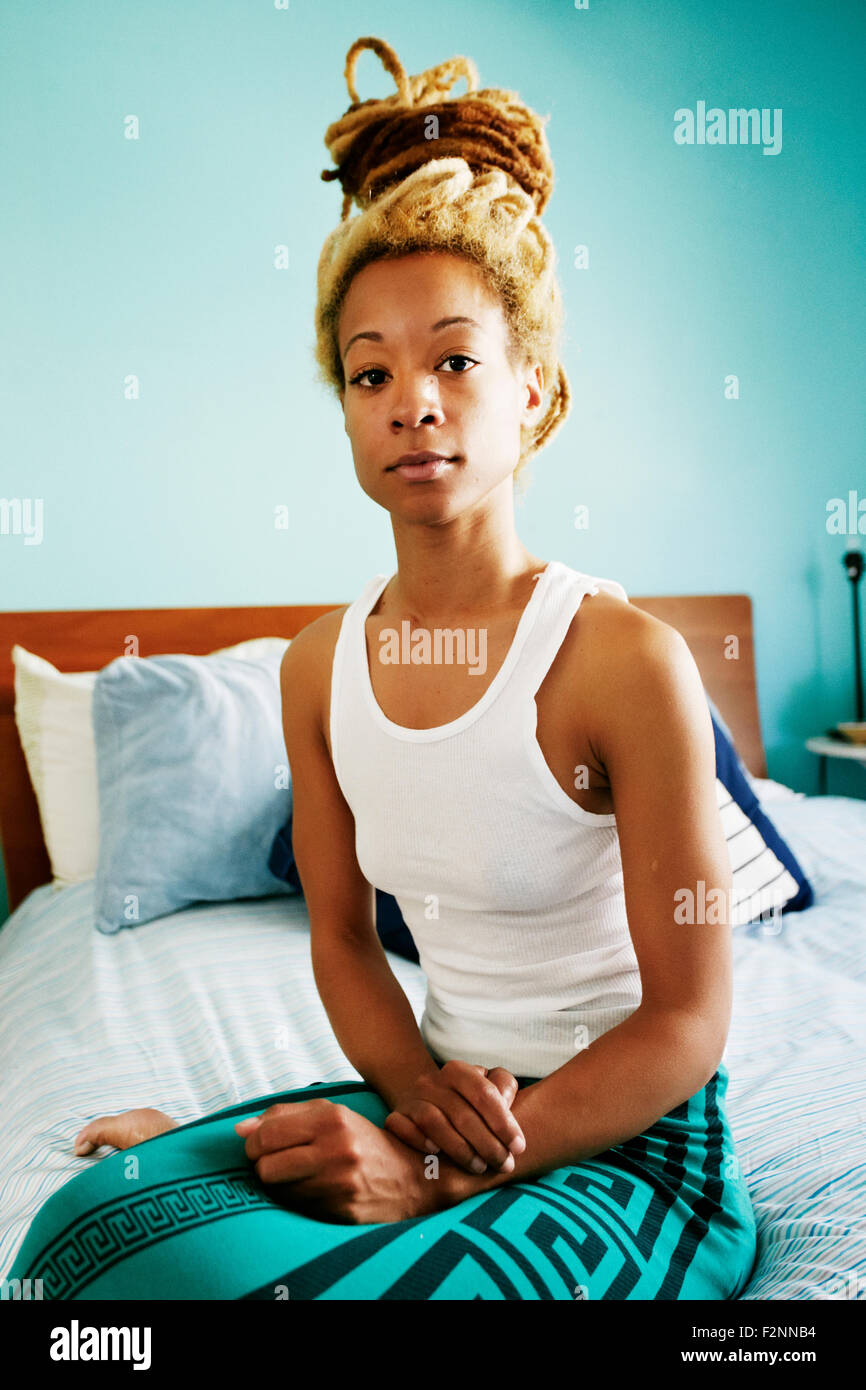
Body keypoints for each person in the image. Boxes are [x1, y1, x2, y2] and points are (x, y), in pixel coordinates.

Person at [8, 35, 757, 1300]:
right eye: (370, 371)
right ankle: (223, 1155)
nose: (411, 399)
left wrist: (447, 1174)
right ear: (346, 407)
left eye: (454, 359)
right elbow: (347, 945)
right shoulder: (316, 669)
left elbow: (689, 1019)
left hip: (627, 1144)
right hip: (439, 1097)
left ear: (535, 393)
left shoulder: (621, 660)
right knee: (78, 1237)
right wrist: (413, 1115)